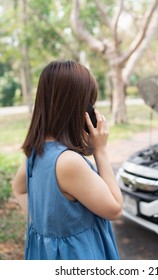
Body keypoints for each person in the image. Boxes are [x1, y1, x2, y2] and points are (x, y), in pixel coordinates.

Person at [12, 60, 123, 260]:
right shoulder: (68, 162)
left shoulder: (37, 152)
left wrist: (47, 226)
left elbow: (18, 189)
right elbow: (114, 208)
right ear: (77, 107)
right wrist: (101, 151)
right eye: (89, 102)